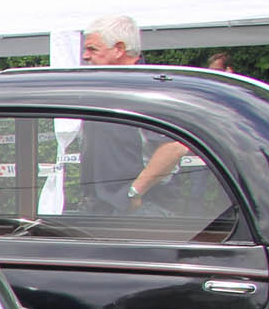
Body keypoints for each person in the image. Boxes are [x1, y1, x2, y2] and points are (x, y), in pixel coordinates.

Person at [79, 15, 191, 213]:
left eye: (92, 49)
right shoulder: (108, 89)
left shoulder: (147, 89)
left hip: (144, 209)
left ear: (119, 49)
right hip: (105, 208)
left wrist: (134, 193)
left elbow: (174, 147)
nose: (85, 56)